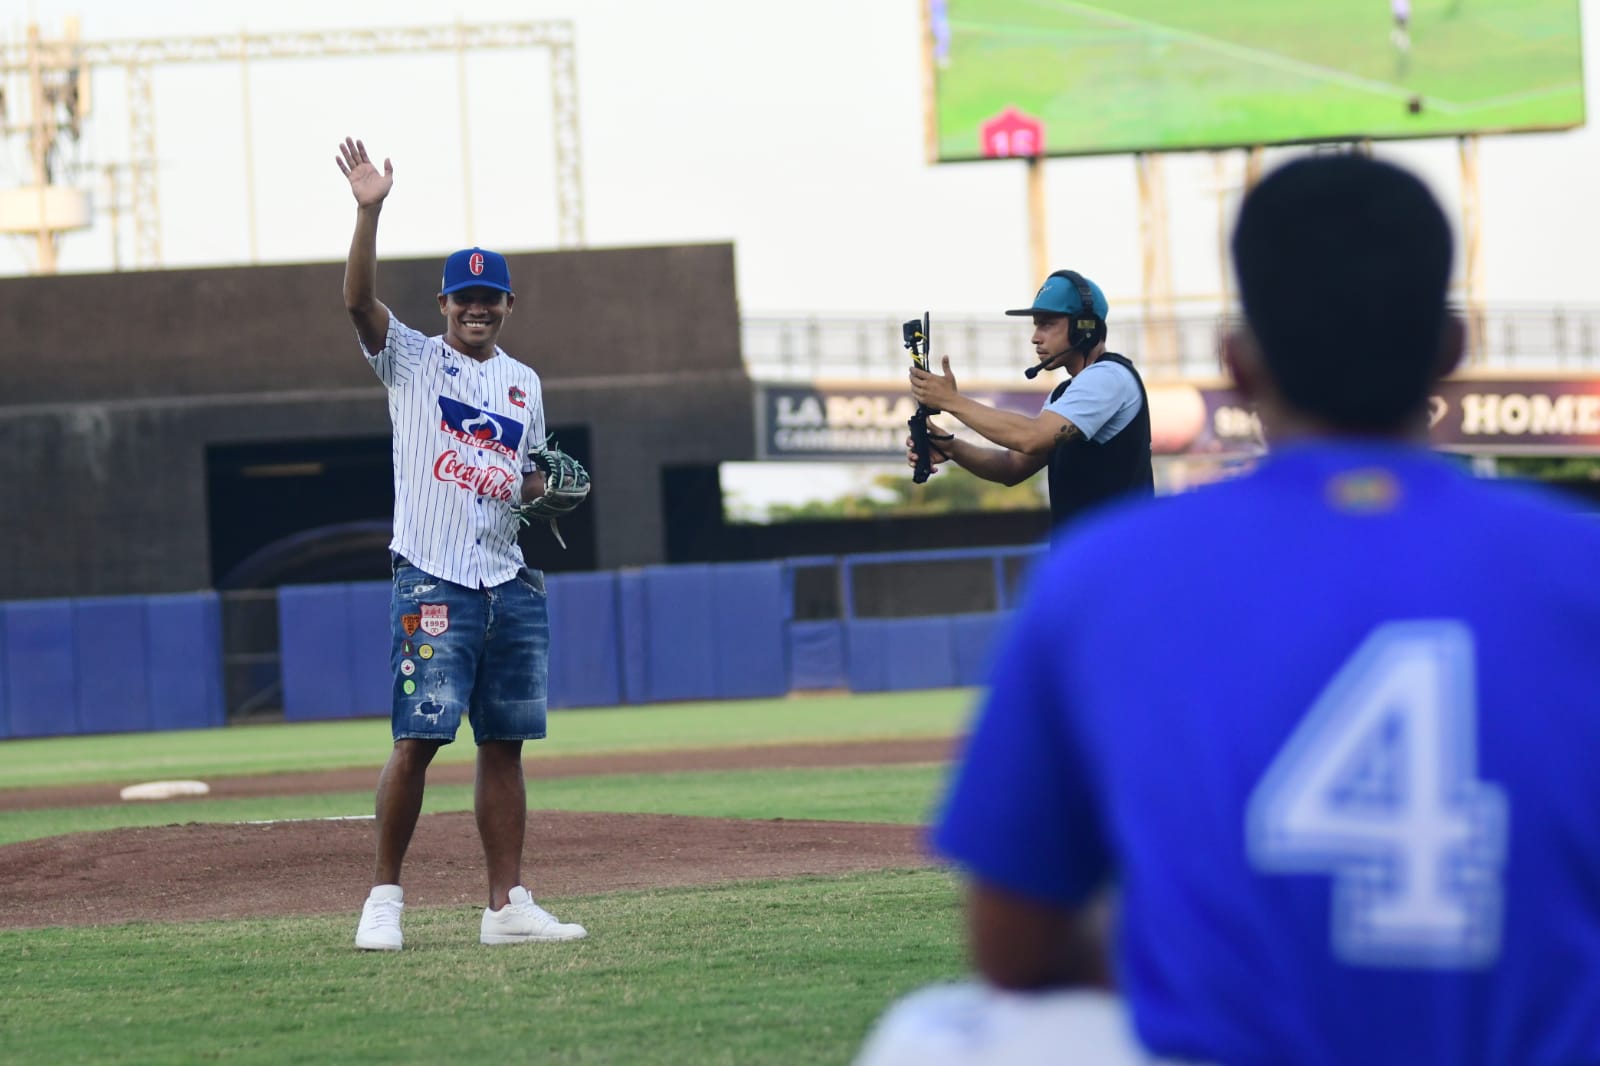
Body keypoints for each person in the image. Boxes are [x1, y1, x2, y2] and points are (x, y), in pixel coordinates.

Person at [860, 154, 1600, 1064]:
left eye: (1050, 320)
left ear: (1238, 367)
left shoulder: (1103, 579)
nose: (1042, 333)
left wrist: (949, 401)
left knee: (929, 1035)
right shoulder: (1580, 563)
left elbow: (1014, 944)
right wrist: (949, 432)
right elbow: (1014, 462)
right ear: (1447, 353)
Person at [335, 136, 587, 951]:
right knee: (417, 740)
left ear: (508, 305)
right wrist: (369, 213)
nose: (477, 307)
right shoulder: (410, 359)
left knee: (504, 743)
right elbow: (357, 304)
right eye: (464, 296)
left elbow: (527, 479)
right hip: (433, 575)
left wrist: (546, 488)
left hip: (506, 578)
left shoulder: (526, 383)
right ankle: (383, 899)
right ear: (444, 304)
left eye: (491, 297)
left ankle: (505, 904)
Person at [907, 270, 1153, 537]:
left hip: (1122, 563)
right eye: (1036, 325)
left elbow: (1032, 437)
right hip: (1091, 563)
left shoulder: (1108, 377)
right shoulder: (1066, 393)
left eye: (1046, 324)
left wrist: (952, 402)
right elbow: (1012, 466)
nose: (1035, 337)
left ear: (1086, 328)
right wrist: (953, 448)